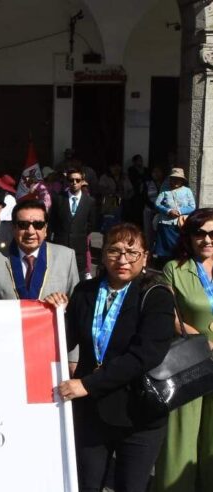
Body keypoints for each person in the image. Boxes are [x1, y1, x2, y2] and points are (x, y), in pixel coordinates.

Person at [56, 223, 175, 492]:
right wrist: (52, 313)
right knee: (86, 484)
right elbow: (64, 339)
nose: (122, 260)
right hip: (91, 413)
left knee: (130, 486)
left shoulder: (156, 295)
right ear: (102, 254)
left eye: (132, 252)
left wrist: (87, 384)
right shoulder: (85, 291)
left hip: (138, 413)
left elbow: (145, 356)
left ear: (145, 256)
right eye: (114, 251)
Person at [152, 208, 213, 491]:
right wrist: (203, 341)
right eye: (199, 233)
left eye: (212, 234)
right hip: (192, 361)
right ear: (188, 237)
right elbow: (170, 317)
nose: (207, 239)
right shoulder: (173, 269)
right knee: (182, 435)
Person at [0, 200, 79, 301]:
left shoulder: (66, 257)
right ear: (13, 228)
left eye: (38, 225)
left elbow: (77, 304)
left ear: (45, 229)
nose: (30, 231)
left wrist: (63, 304)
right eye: (23, 225)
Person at [49, 168, 97, 279]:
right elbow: (52, 221)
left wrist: (79, 234)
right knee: (59, 277)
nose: (74, 183)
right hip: (61, 245)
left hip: (79, 248)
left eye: (77, 180)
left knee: (78, 279)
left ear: (82, 181)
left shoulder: (89, 201)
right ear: (67, 181)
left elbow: (92, 223)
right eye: (71, 180)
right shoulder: (58, 199)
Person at [154, 168, 196, 265]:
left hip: (180, 223)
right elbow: (157, 203)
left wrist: (179, 211)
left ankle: (178, 263)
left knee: (179, 244)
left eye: (178, 179)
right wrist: (168, 211)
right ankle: (163, 265)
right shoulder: (164, 190)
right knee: (164, 247)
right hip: (165, 223)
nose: (176, 181)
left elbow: (192, 206)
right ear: (170, 179)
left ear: (182, 180)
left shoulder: (187, 191)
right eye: (174, 178)